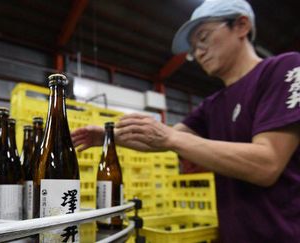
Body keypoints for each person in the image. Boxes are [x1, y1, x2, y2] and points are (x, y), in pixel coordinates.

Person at [71, 0, 300, 242]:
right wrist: (108, 137)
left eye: (203, 37)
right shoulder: (213, 105)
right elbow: (161, 141)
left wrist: (170, 137)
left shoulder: (283, 69)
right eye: (192, 49)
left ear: (241, 26)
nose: (198, 52)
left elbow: (267, 163)